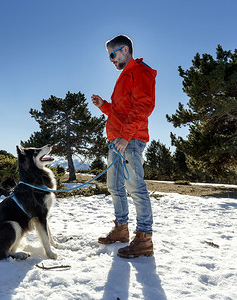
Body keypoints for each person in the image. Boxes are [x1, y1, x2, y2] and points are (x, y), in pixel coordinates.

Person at [91, 35, 157, 258]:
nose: (111, 59)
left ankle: (144, 238)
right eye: (108, 56)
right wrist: (104, 106)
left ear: (125, 49)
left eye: (113, 54)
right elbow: (120, 112)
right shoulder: (124, 76)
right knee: (115, 187)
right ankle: (121, 229)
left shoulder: (140, 72)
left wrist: (126, 136)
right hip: (117, 141)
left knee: (135, 188)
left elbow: (144, 106)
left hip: (130, 140)